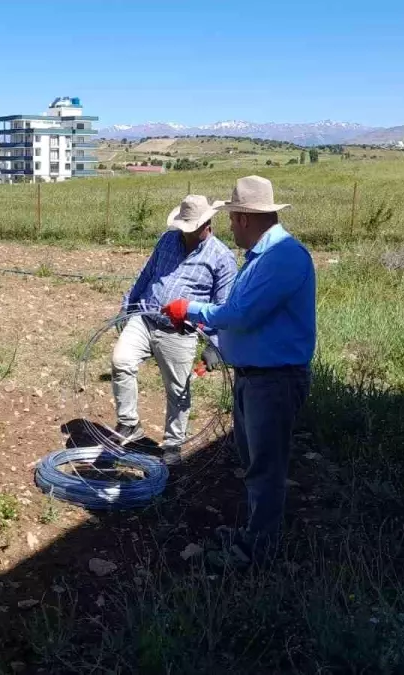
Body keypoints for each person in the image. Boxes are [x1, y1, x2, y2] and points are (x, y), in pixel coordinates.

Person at [162, 175, 316, 561]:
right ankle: (254, 532)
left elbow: (241, 314)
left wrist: (190, 309)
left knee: (265, 468)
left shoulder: (283, 258)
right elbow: (239, 315)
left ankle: (258, 550)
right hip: (256, 377)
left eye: (232, 218)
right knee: (254, 463)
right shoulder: (263, 259)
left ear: (246, 218)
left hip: (274, 380)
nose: (229, 226)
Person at [113, 195, 237, 465]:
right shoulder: (167, 240)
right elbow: (147, 274)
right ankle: (129, 424)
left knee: (178, 390)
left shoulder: (222, 258)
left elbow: (223, 306)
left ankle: (173, 443)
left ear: (207, 224)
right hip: (145, 317)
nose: (186, 232)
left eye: (192, 227)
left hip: (179, 331)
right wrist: (129, 305)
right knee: (121, 361)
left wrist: (214, 344)